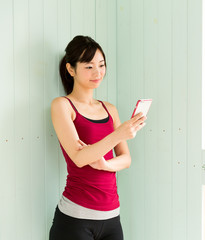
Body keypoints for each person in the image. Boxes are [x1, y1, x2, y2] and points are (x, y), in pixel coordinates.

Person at [49, 35, 146, 240]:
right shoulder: (62, 106)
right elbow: (79, 157)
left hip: (112, 217)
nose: (98, 72)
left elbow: (126, 159)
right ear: (71, 69)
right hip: (75, 219)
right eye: (89, 66)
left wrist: (105, 165)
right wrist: (118, 134)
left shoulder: (109, 109)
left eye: (101, 65)